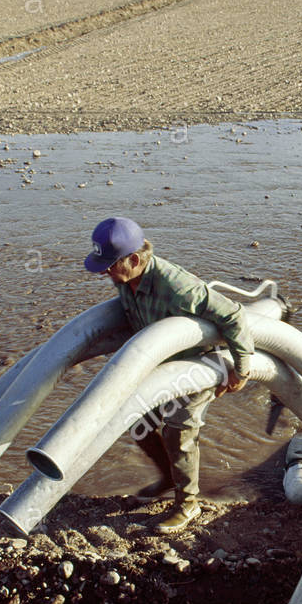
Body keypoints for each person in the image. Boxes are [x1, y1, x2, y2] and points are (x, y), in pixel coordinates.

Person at [84, 216, 253, 533]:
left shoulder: (179, 289)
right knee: (138, 424)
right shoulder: (128, 281)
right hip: (162, 368)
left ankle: (187, 505)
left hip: (197, 368)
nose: (105, 272)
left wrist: (242, 370)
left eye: (109, 264)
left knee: (179, 431)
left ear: (134, 259)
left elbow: (234, 315)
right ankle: (167, 478)